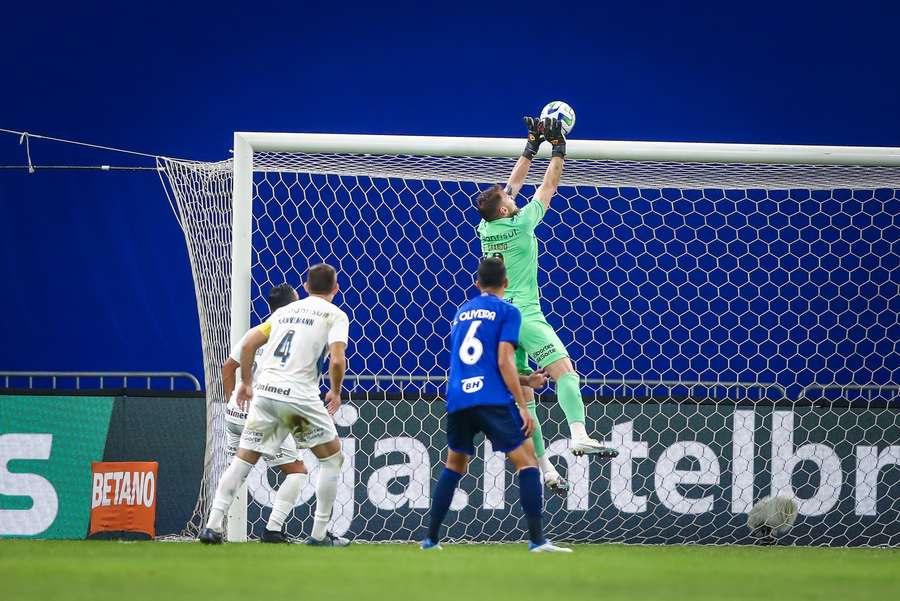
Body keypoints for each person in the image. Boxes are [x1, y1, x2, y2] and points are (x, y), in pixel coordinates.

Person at [476, 116, 618, 493]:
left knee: (527, 398)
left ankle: (546, 469)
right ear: (506, 210)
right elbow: (548, 186)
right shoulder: (522, 225)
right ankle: (579, 434)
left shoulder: (487, 228)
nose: (512, 197)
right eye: (509, 200)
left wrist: (530, 145)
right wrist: (557, 148)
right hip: (525, 314)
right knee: (564, 372)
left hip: (501, 319)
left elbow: (514, 184)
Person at [422, 257, 571, 552]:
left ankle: (430, 540)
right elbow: (503, 360)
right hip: (491, 399)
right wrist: (524, 405)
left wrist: (527, 381)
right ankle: (538, 540)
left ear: (477, 284)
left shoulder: (461, 313)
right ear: (506, 283)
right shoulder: (508, 311)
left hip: (459, 398)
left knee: (454, 465)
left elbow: (478, 362)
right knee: (527, 462)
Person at [200, 264, 350, 546]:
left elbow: (247, 346)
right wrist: (335, 391)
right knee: (332, 459)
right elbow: (338, 360)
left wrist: (245, 383)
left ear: (305, 287)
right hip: (297, 407)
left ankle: (212, 526)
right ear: (336, 288)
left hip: (265, 397)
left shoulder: (282, 313)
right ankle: (319, 535)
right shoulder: (335, 315)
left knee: (243, 460)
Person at [219, 283, 308, 543]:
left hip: (236, 412)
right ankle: (273, 530)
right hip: (265, 413)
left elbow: (227, 368)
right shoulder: (290, 335)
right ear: (292, 305)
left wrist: (232, 403)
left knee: (236, 469)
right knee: (297, 471)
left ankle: (213, 525)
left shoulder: (254, 332)